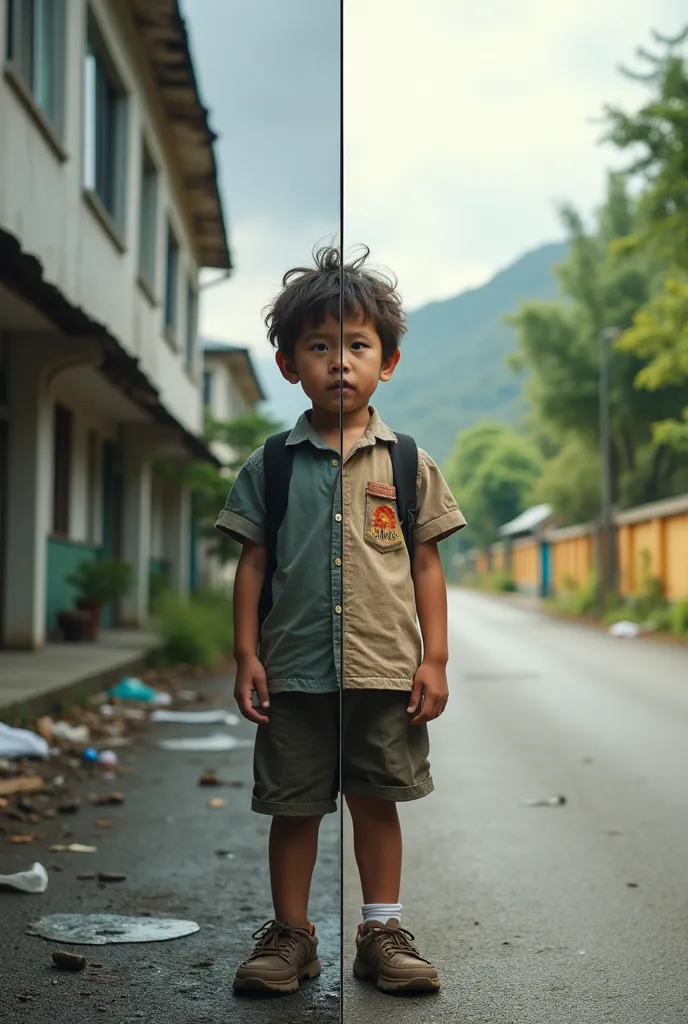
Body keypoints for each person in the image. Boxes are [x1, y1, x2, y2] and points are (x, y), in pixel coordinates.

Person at [216, 245, 465, 996]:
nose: (338, 362)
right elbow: (253, 562)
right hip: (293, 668)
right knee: (293, 805)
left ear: (386, 362)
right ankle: (291, 935)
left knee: (376, 798)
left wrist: (436, 659)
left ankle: (381, 932)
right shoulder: (272, 463)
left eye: (356, 345)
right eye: (317, 346)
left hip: (386, 668)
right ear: (290, 363)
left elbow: (426, 565)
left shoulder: (408, 461)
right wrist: (244, 655)